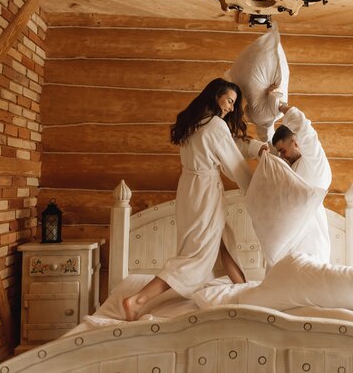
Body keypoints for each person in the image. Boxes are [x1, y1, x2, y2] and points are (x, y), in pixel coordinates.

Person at [123, 78, 267, 321]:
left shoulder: (194, 123)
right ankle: (137, 299)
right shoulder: (215, 126)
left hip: (189, 189)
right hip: (205, 190)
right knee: (196, 255)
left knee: (220, 240)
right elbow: (233, 165)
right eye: (229, 101)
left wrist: (256, 148)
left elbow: (230, 145)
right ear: (215, 96)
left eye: (233, 104)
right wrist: (258, 190)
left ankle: (245, 291)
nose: (231, 108)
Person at [271, 98, 332, 263]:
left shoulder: (313, 160)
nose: (282, 156)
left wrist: (279, 105)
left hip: (311, 240)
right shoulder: (291, 168)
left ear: (295, 141)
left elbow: (303, 126)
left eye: (283, 150)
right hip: (290, 238)